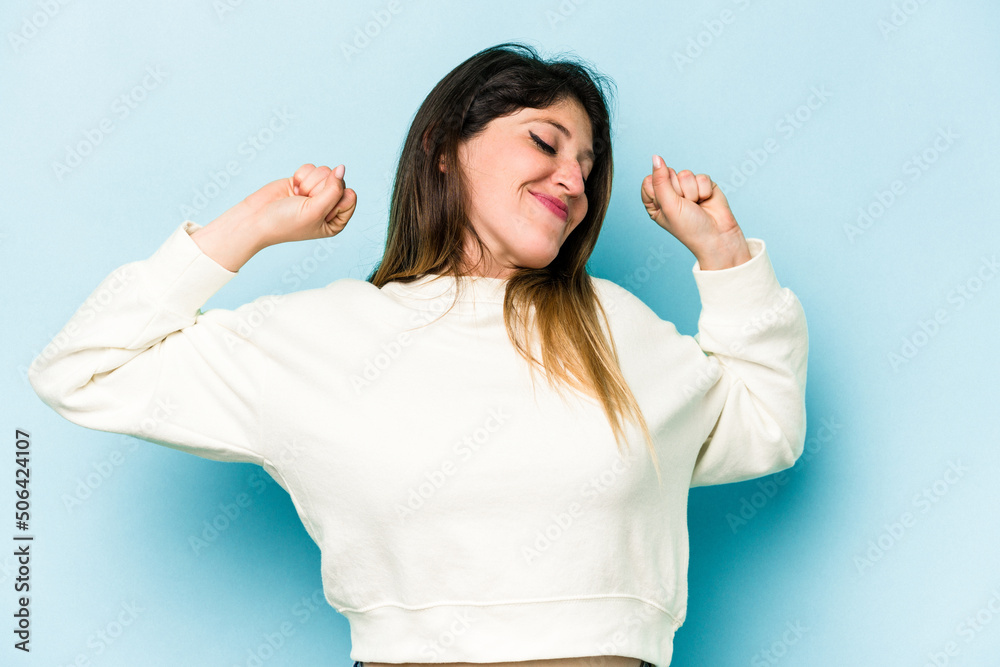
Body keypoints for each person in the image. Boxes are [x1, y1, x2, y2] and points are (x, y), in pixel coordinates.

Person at [28, 42, 808, 667]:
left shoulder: (618, 329)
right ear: (443, 149)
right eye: (545, 140)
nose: (573, 178)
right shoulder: (322, 337)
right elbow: (83, 367)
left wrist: (724, 253)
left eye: (589, 163)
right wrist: (254, 223)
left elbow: (767, 424)